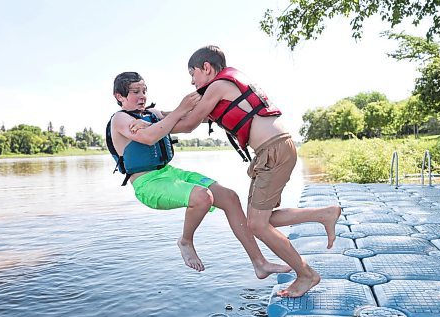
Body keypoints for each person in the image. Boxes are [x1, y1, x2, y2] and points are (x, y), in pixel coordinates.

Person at [132, 46, 341, 297]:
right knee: (263, 220)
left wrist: (149, 127)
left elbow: (188, 124)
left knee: (257, 225)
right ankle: (324, 214)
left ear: (206, 68)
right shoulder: (226, 86)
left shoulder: (217, 87)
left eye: (193, 74)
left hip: (272, 151)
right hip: (277, 149)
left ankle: (306, 274)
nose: (192, 81)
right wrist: (157, 115)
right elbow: (192, 115)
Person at [108, 71, 291, 277]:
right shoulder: (120, 119)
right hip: (147, 184)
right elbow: (150, 137)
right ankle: (185, 240)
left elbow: (190, 120)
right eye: (135, 92)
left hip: (170, 173)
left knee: (229, 197)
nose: (142, 96)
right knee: (203, 197)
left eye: (144, 91)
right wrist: (179, 109)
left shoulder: (153, 115)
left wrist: (230, 103)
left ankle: (260, 263)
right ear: (119, 96)